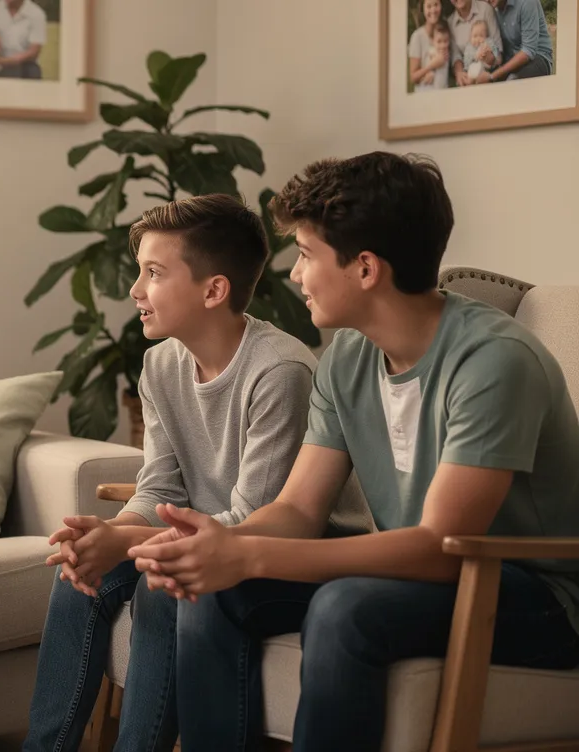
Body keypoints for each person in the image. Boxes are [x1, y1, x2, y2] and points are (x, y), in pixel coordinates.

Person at [128, 152, 579, 752]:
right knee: (208, 585)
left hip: (534, 593)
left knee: (346, 607)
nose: (294, 275)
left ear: (365, 268)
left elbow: (442, 548)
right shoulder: (347, 358)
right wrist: (220, 544)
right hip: (420, 574)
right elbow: (297, 512)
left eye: (308, 255)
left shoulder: (494, 361)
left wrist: (249, 555)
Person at [22, 195, 366, 752]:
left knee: (164, 590)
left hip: (280, 551)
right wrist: (107, 538)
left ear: (213, 290)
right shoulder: (161, 364)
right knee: (76, 575)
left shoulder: (279, 370)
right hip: (200, 537)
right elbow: (159, 486)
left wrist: (127, 542)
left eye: (154, 273)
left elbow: (255, 518)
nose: (135, 290)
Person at [486, 0, 554, 81]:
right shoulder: (491, 9)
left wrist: (493, 76)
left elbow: (528, 51)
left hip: (537, 57)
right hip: (510, 59)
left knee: (513, 82)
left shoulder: (527, 2)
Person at [0, 0, 46, 79]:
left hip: (25, 65)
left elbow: (33, 52)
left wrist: (3, 61)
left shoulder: (36, 14)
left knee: (28, 72)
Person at [447, 0, 504, 85]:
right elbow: (456, 56)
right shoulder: (450, 22)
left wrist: (490, 59)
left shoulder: (485, 9)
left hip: (490, 74)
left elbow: (498, 53)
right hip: (468, 75)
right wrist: (460, 74)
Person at [410, 12, 454, 91]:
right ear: (433, 41)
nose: (443, 45)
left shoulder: (447, 52)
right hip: (428, 89)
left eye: (445, 41)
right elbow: (430, 64)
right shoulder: (432, 51)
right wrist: (430, 72)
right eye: (439, 41)